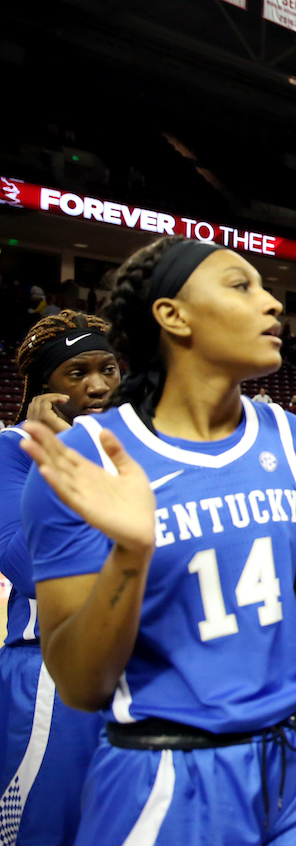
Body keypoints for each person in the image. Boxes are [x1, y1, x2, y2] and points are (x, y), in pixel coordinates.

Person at [19, 236, 296, 846]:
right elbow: (81, 682)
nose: (270, 304)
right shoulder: (86, 462)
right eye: (242, 287)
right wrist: (131, 555)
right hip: (170, 765)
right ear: (172, 316)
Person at [0, 311, 119, 845]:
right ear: (42, 388)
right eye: (76, 373)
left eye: (108, 369)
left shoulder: (134, 448)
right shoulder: (12, 454)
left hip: (139, 673)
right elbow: (31, 567)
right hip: (49, 675)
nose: (97, 385)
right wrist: (64, 458)